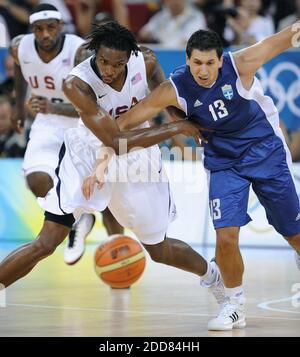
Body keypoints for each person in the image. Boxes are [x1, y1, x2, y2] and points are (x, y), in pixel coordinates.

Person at [0, 22, 225, 311]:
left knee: (159, 250)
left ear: (130, 58)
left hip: (137, 158)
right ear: (94, 53)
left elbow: (165, 99)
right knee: (47, 241)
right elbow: (114, 140)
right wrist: (177, 129)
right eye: (104, 61)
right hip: (89, 150)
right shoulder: (76, 83)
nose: (109, 70)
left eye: (117, 65)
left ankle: (213, 276)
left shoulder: (146, 61)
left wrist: (177, 119)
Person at [87, 25, 300, 331]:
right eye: (197, 63)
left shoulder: (241, 64)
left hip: (264, 150)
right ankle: (234, 304)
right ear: (187, 61)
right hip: (224, 161)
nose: (203, 70)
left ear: (220, 61)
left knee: (293, 234)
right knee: (226, 236)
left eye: (209, 63)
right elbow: (122, 124)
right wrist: (103, 157)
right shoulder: (173, 88)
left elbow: (282, 39)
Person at [9, 3, 100, 265]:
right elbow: (19, 70)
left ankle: (105, 238)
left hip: (79, 125)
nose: (45, 34)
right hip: (46, 122)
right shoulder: (19, 46)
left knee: (101, 194)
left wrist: (53, 105)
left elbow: (91, 105)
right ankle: (78, 222)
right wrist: (17, 106)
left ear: (60, 26)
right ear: (31, 30)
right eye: (39, 29)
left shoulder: (79, 51)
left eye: (50, 28)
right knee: (37, 181)